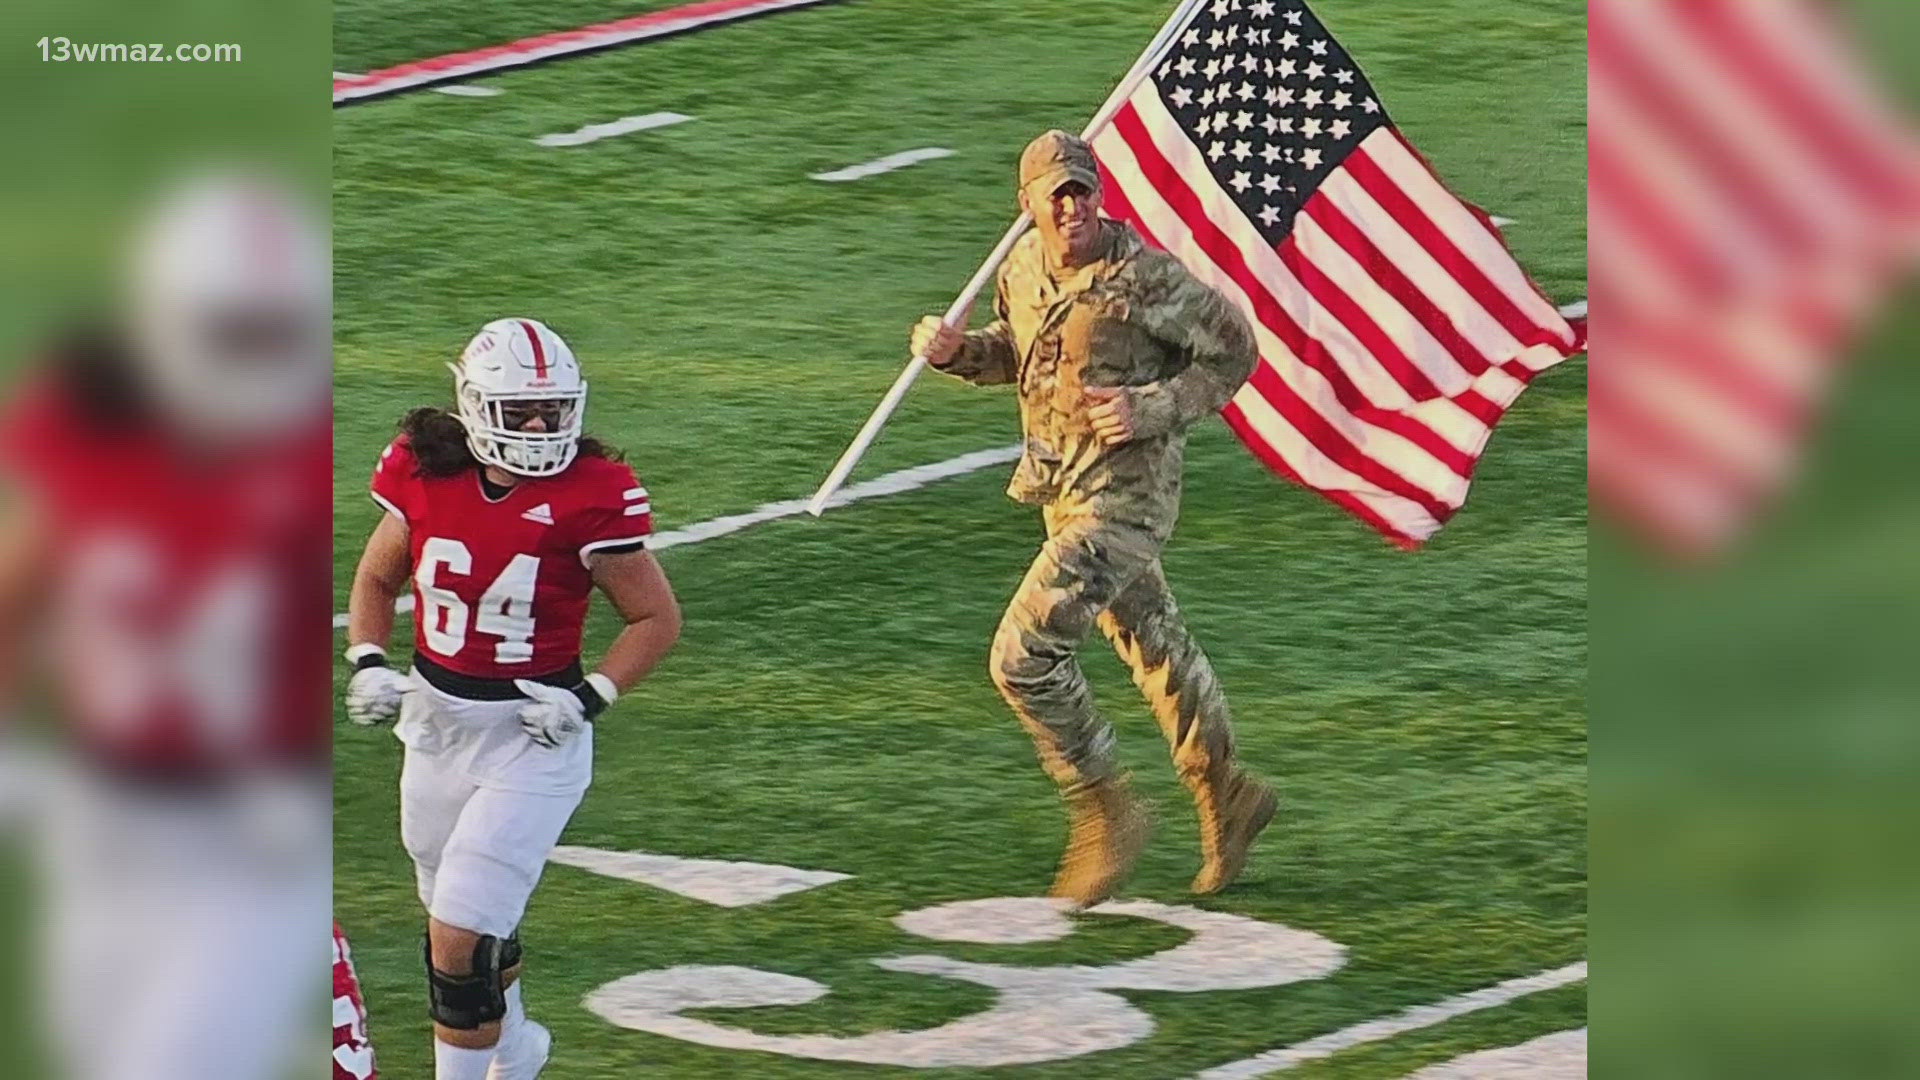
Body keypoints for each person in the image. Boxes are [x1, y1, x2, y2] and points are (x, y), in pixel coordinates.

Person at [0, 172, 332, 1080]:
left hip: (254, 840)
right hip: (104, 817)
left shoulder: (311, 443)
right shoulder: (88, 412)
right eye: (238, 330)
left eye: (279, 330)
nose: (261, 354)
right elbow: (20, 583)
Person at [911, 130, 1278, 906]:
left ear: (1099, 195)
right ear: (1029, 206)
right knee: (1154, 643)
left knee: (1022, 655)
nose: (1071, 206)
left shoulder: (1144, 277)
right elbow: (1018, 355)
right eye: (1056, 195)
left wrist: (1155, 405)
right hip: (1062, 491)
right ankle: (1227, 794)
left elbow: (1236, 351)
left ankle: (1103, 807)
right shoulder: (1020, 267)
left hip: (1127, 501)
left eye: (1082, 191)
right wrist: (955, 353)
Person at [342, 318, 682, 1080]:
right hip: (435, 724)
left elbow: (656, 618)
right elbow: (376, 578)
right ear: (473, 406)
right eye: (521, 411)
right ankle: (517, 1046)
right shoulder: (424, 470)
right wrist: (367, 660)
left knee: (459, 936)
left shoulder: (594, 492)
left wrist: (588, 698)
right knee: (458, 926)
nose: (539, 426)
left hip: (535, 735)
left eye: (554, 410)